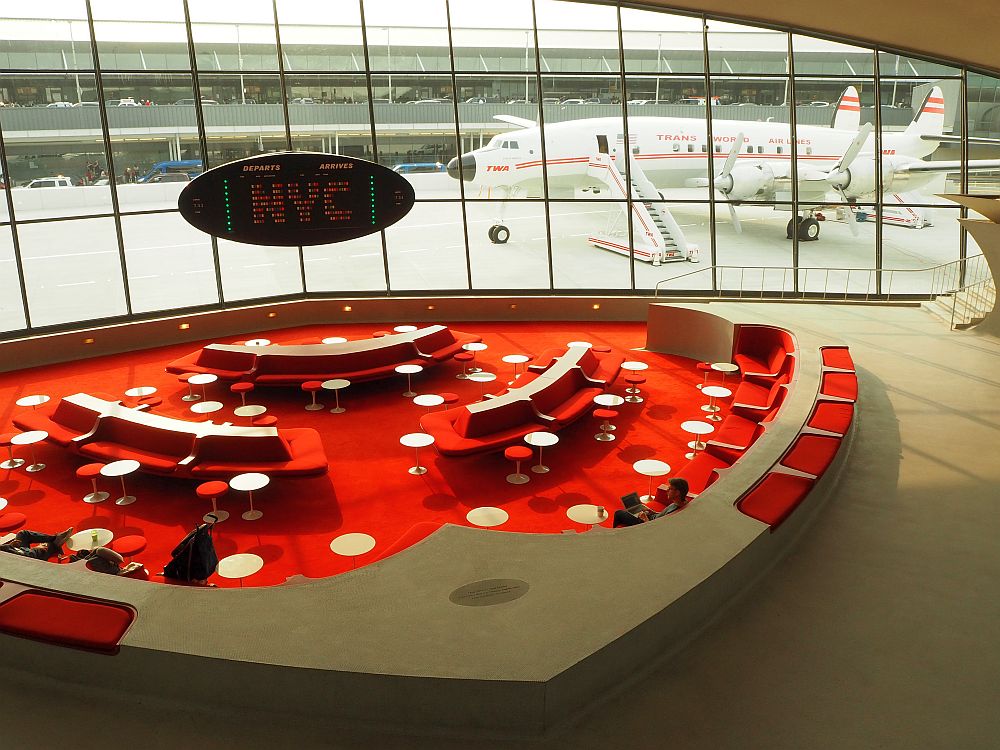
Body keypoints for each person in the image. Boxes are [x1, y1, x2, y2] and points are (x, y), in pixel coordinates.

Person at [1, 526, 143, 575]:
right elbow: (119, 559)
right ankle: (53, 543)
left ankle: (54, 539)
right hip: (20, 559)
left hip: (11, 551)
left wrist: (11, 545)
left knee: (23, 534)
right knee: (38, 550)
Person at [613, 477, 689, 528]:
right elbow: (662, 515)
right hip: (652, 517)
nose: (667, 490)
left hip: (647, 524)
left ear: (677, 492)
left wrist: (645, 519)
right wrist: (652, 511)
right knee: (634, 510)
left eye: (670, 489)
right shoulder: (682, 502)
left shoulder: (675, 512)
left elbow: (656, 529)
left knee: (618, 513)